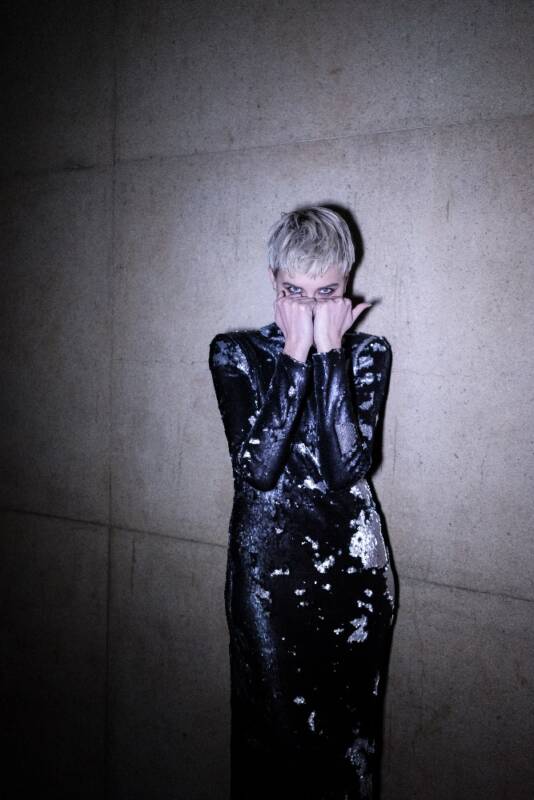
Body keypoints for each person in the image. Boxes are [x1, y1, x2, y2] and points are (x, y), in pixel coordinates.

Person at [208, 206, 397, 800]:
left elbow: (348, 468)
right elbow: (257, 469)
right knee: (273, 748)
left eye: (326, 293)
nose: (311, 308)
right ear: (273, 281)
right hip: (268, 581)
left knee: (347, 751)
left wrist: (330, 353)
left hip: (352, 580)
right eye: (295, 291)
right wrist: (295, 353)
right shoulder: (234, 352)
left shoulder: (367, 354)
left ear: (347, 284)